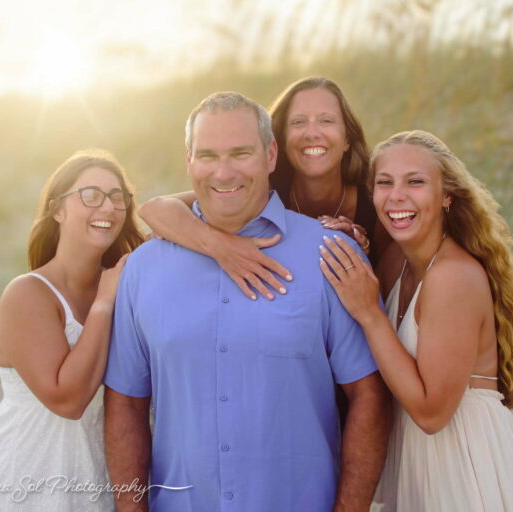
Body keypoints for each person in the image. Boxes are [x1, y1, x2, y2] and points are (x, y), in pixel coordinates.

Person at [104, 92, 391, 512]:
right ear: (188, 160)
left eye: (240, 153)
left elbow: (370, 394)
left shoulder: (330, 255)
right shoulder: (143, 269)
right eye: (207, 155)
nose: (223, 172)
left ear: (271, 155)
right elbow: (126, 401)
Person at [319, 130, 513, 511]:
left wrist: (371, 313)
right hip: (422, 471)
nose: (397, 195)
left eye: (415, 182)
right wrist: (357, 246)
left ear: (446, 196)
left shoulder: (453, 277)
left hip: (470, 475)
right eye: (384, 183)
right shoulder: (397, 262)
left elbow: (432, 413)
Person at [0, 149, 144, 511]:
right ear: (57, 209)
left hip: (97, 489)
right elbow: (68, 401)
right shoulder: (28, 294)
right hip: (29, 488)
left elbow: (189, 203)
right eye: (90, 195)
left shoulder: (124, 285)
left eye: (117, 197)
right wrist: (103, 303)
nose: (107, 207)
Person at [138, 76, 392, 301]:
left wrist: (362, 253)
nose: (312, 133)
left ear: (347, 138)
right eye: (298, 122)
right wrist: (221, 247)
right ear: (277, 141)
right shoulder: (260, 188)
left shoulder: (375, 196)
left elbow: (390, 285)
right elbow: (154, 209)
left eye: (326, 121)